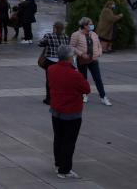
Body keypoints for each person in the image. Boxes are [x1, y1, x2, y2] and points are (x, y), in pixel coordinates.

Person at [48, 44, 90, 179]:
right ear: (70, 58)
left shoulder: (51, 69)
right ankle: (65, 170)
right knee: (69, 141)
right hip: (72, 112)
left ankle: (58, 164)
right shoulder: (74, 74)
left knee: (58, 138)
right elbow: (86, 89)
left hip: (56, 110)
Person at [70, 17, 111, 106]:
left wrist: (99, 53)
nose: (92, 26)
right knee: (83, 79)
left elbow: (99, 45)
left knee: (98, 79)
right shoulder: (76, 35)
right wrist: (81, 54)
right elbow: (72, 47)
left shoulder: (94, 34)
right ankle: (84, 95)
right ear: (84, 26)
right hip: (82, 60)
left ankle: (103, 97)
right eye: (90, 24)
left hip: (93, 59)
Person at [38, 21, 69, 105]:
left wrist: (45, 43)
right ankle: (60, 97)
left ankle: (49, 99)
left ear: (55, 28)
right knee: (60, 80)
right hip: (61, 61)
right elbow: (67, 49)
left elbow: (40, 43)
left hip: (50, 61)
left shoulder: (49, 36)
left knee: (49, 80)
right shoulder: (66, 37)